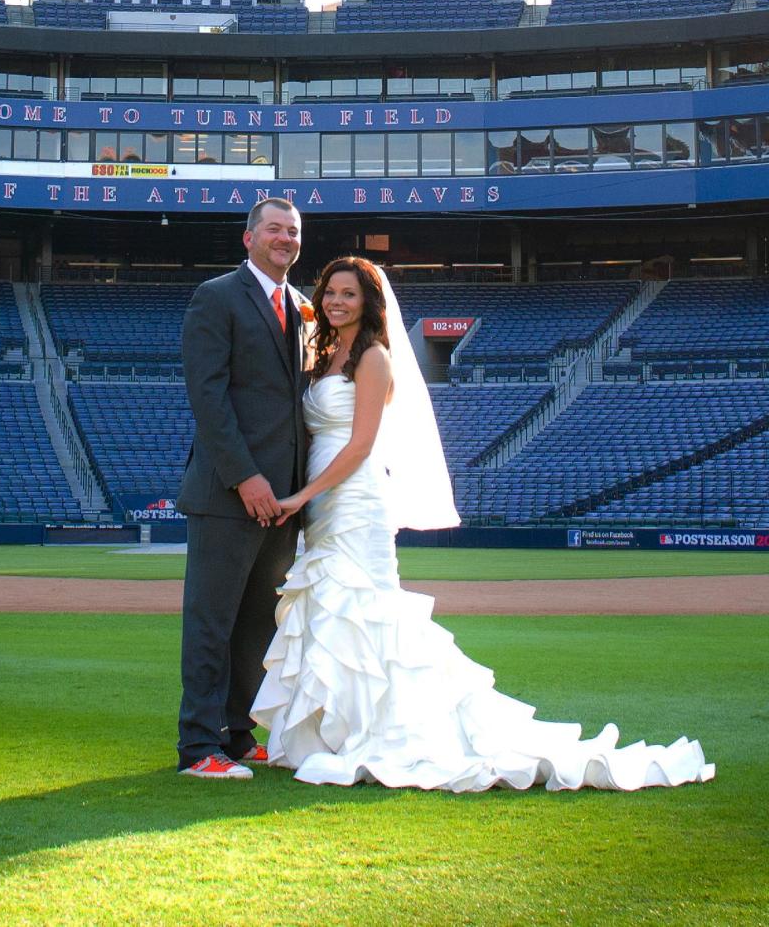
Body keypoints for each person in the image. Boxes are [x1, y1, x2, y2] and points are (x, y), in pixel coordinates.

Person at [252, 256, 715, 792]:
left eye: (349, 294)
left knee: (362, 608)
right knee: (331, 608)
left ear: (368, 302)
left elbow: (360, 445)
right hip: (322, 501)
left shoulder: (374, 357)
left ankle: (385, 730)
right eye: (330, 292)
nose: (336, 301)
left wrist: (300, 496)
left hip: (355, 496)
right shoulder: (324, 355)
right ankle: (336, 731)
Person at [176, 199, 309, 780]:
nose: (285, 239)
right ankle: (198, 747)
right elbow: (208, 397)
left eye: (294, 232)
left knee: (258, 624)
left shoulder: (303, 308)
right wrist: (246, 476)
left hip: (284, 502)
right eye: (274, 229)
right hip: (229, 494)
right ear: (248, 238)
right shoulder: (217, 296)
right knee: (212, 621)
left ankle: (236, 734)